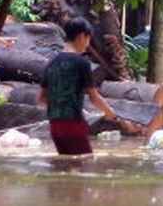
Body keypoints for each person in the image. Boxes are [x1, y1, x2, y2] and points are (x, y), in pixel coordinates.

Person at [40, 17, 120, 155]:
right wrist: (110, 113)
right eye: (88, 39)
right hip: (74, 125)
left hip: (55, 125)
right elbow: (94, 97)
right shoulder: (82, 63)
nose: (87, 45)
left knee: (64, 166)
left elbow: (42, 98)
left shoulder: (51, 63)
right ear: (82, 36)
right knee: (84, 163)